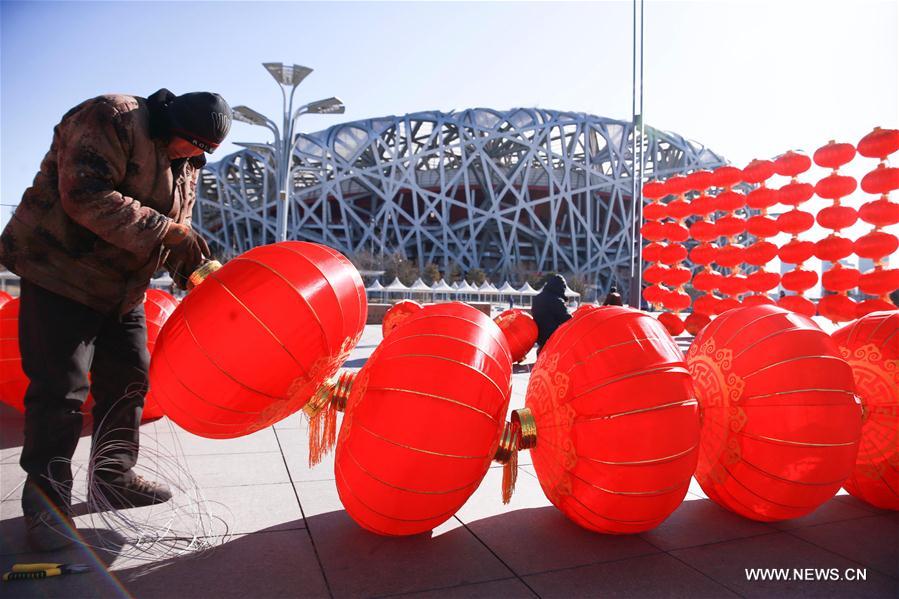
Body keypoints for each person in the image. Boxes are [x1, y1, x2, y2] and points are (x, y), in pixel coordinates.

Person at [0, 89, 232, 551]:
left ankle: (114, 476)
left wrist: (194, 268)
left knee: (130, 380)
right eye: (193, 144)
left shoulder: (185, 162)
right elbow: (85, 196)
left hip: (121, 290)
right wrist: (170, 233)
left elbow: (168, 231)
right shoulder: (112, 117)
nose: (196, 156)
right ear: (172, 124)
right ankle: (48, 506)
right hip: (59, 274)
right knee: (61, 391)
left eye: (207, 151)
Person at [531, 274, 572, 353]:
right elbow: (567, 319)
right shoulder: (557, 300)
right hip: (552, 338)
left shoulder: (537, 298)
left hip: (539, 337)